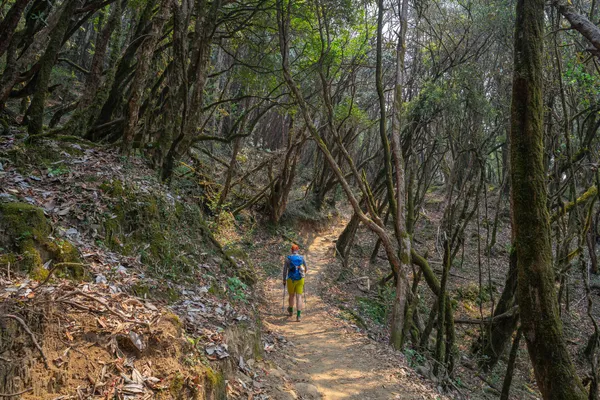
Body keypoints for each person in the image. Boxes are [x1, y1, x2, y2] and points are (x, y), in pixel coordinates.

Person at [282, 244, 307, 321]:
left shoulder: (288, 259)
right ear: (298, 250)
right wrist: (302, 274)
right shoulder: (302, 258)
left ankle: (291, 311)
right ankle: (298, 316)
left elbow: (285, 271)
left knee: (291, 296)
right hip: (300, 279)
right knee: (299, 296)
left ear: (291, 250)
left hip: (290, 279)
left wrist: (284, 280)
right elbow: (306, 268)